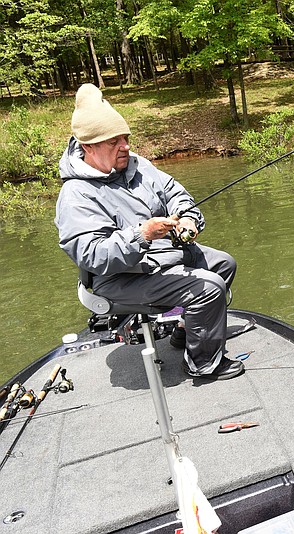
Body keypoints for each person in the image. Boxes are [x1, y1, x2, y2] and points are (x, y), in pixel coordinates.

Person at [54, 83, 244, 380]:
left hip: (162, 258)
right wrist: (142, 234)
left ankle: (184, 331)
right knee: (209, 288)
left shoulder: (137, 165)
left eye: (126, 138)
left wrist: (188, 220)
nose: (125, 146)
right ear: (89, 146)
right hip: (120, 278)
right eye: (114, 141)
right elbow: (91, 255)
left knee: (223, 263)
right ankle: (202, 363)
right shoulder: (76, 194)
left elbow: (176, 194)